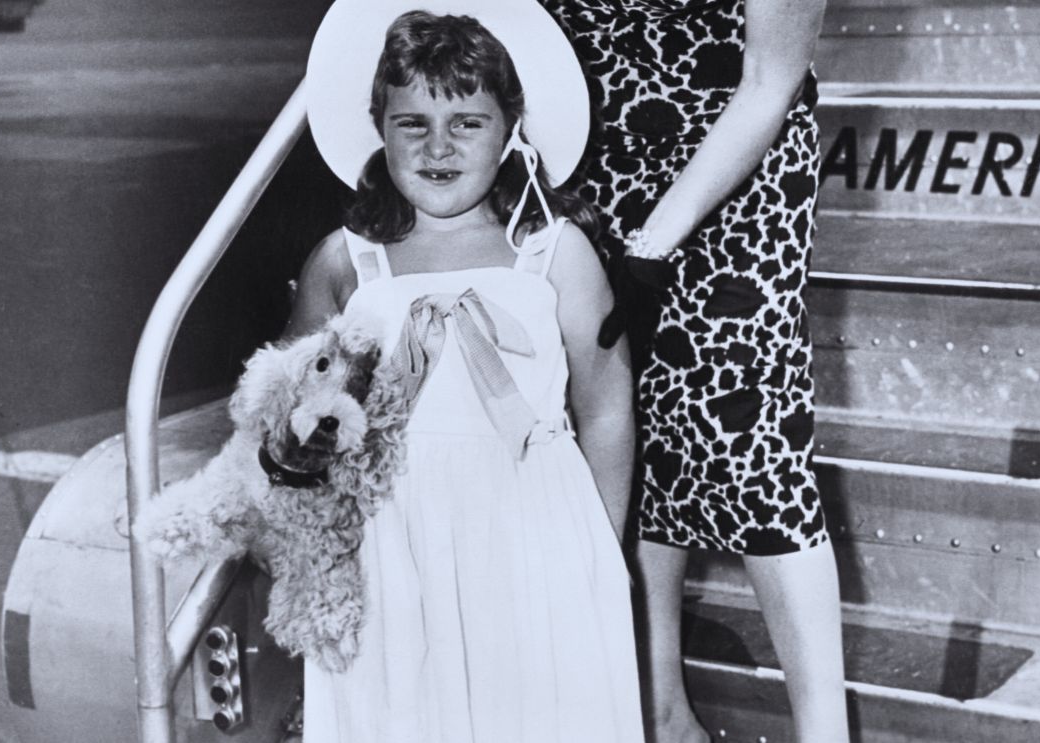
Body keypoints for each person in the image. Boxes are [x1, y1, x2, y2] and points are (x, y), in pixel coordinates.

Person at [290, 2, 644, 741]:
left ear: (512, 130)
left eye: (466, 123)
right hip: (393, 535)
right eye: (411, 123)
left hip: (532, 530)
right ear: (378, 129)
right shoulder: (346, 260)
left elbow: (607, 405)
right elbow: (298, 419)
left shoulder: (555, 253)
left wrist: (596, 545)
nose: (437, 146)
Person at [538, 1, 850, 742]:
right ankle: (662, 709)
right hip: (590, 157)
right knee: (633, 433)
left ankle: (824, 731)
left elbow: (769, 81)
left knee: (756, 447)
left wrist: (653, 244)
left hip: (736, 165)